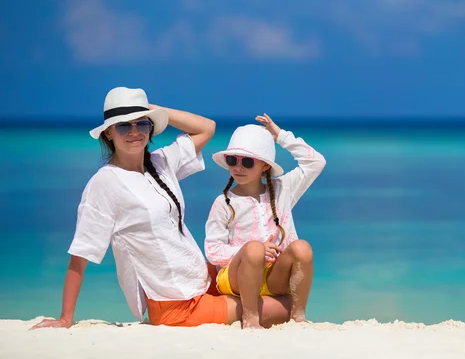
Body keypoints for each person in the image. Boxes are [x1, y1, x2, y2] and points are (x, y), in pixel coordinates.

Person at [31, 87, 290, 330]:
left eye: (141, 123)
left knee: (280, 287)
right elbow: (81, 254)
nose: (134, 131)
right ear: (108, 132)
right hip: (175, 305)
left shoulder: (161, 162)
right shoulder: (104, 183)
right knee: (284, 308)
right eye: (123, 125)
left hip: (203, 282)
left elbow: (206, 128)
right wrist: (65, 318)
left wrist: (148, 109)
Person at [204, 114, 326, 329]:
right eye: (233, 160)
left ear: (265, 166)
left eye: (248, 162)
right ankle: (251, 320)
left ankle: (298, 318)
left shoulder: (283, 190)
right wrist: (249, 250)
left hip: (273, 278)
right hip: (236, 278)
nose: (238, 167)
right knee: (253, 250)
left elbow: (316, 162)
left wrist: (279, 136)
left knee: (302, 248)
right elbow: (213, 251)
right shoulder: (223, 202)